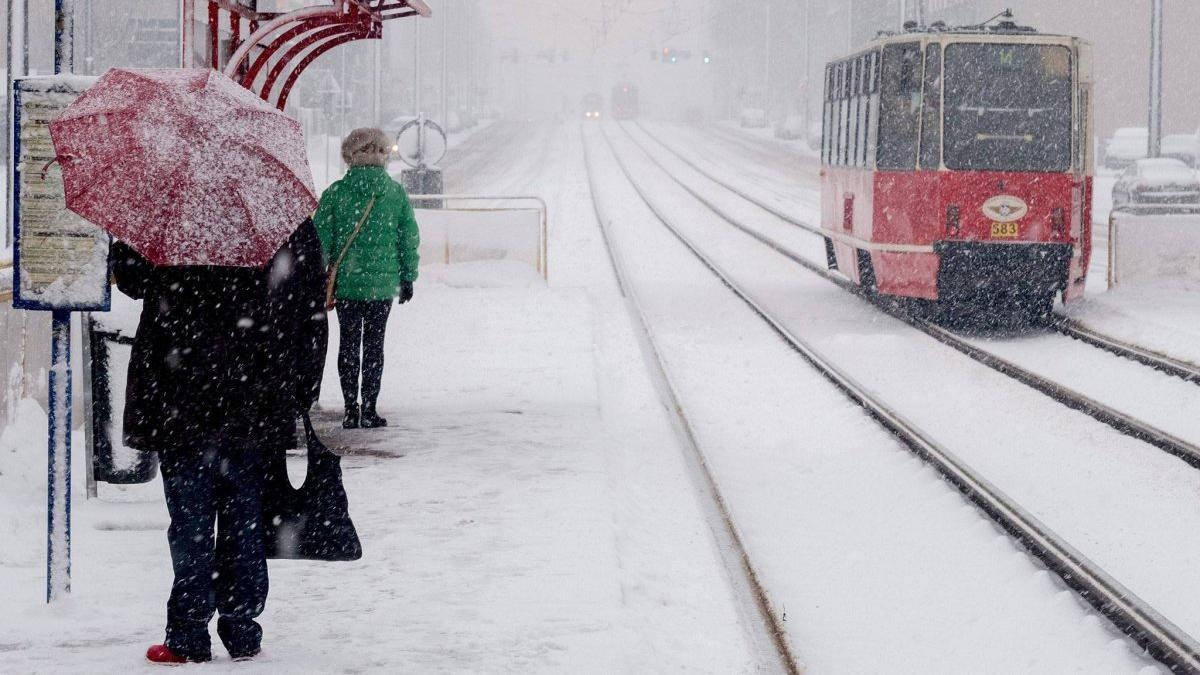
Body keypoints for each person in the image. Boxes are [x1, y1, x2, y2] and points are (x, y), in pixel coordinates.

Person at [112, 219, 328, 665]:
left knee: (191, 521)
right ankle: (242, 627)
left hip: (180, 392)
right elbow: (308, 305)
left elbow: (132, 278)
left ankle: (188, 633)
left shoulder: (170, 202)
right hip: (251, 393)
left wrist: (128, 245)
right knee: (244, 514)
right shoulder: (277, 210)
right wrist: (301, 387)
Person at [314, 127, 420, 429]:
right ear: (384, 155)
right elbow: (407, 237)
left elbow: (320, 239)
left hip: (347, 282)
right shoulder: (394, 193)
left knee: (348, 344)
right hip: (382, 284)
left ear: (350, 156)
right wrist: (407, 276)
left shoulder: (335, 193)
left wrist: (320, 275)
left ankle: (350, 409)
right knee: (375, 346)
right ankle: (370, 408)